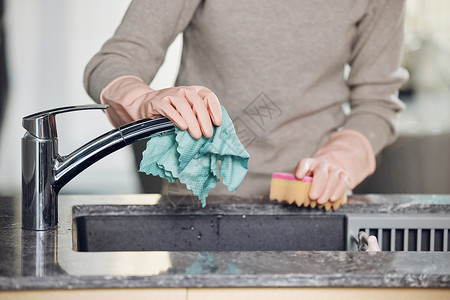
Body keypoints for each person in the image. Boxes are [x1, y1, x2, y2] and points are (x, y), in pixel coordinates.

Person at [84, 0, 408, 205]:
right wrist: (143, 100)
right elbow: (114, 62)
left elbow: (376, 105)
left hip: (312, 208)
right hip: (198, 209)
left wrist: (338, 160)